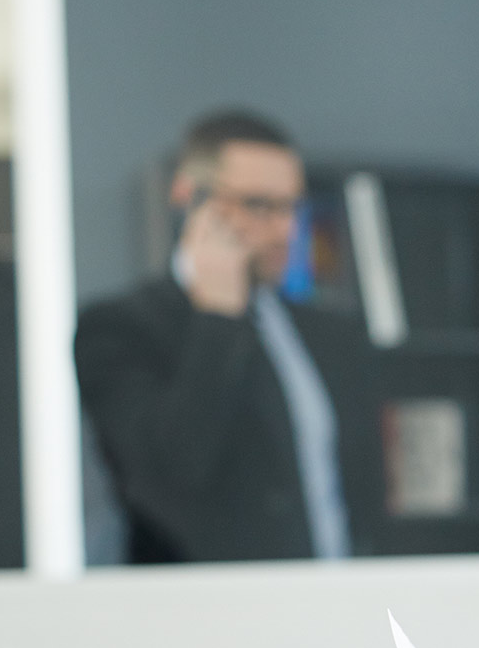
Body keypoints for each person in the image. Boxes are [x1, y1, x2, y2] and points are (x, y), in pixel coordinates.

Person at [75, 110, 385, 564]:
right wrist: (218, 316)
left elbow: (364, 492)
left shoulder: (330, 333)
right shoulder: (120, 328)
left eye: (292, 206)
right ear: (188, 196)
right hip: (208, 614)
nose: (285, 230)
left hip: (333, 605)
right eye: (259, 205)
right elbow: (171, 475)